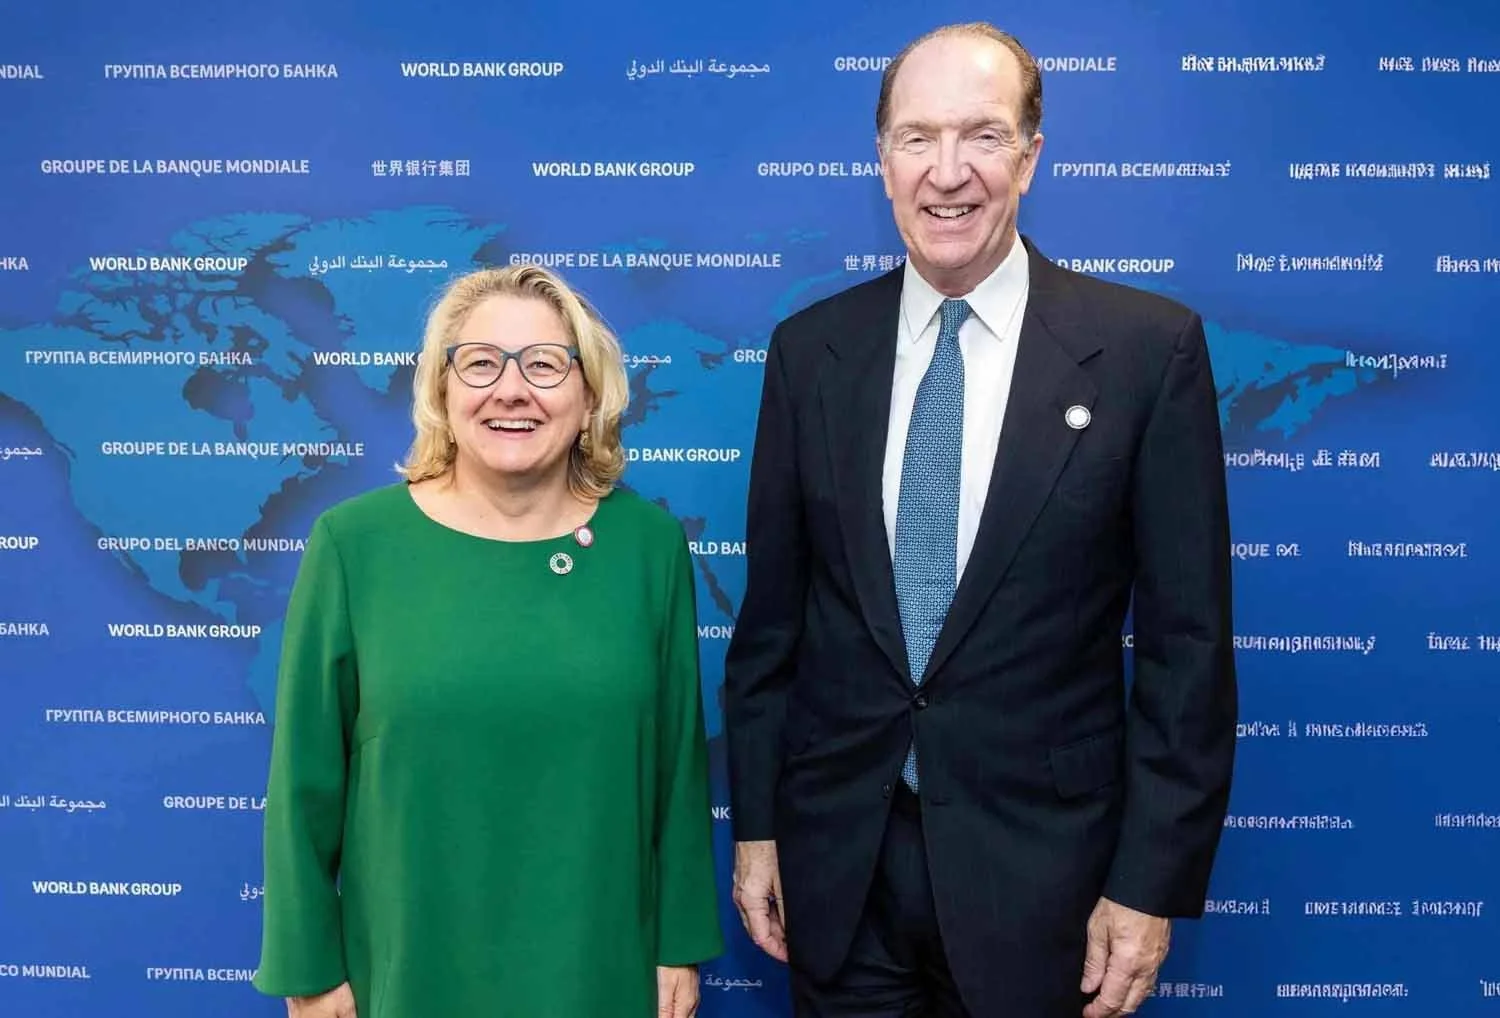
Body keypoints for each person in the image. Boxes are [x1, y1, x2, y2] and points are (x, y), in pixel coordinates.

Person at [724, 21, 1237, 1018]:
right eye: (917, 138)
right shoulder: (810, 354)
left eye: (983, 135)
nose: (947, 172)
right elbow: (773, 629)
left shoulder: (1145, 352)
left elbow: (1188, 650)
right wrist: (757, 831)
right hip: (842, 880)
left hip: (1049, 889)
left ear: (1031, 154)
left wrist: (1148, 884)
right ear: (882, 162)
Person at [252, 264, 723, 1018]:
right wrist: (309, 969)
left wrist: (678, 946)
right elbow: (304, 781)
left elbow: (676, 772)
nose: (511, 389)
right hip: (406, 972)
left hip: (602, 968)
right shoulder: (355, 544)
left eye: (543, 364)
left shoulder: (648, 545)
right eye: (480, 363)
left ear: (589, 395)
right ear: (441, 390)